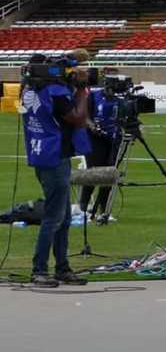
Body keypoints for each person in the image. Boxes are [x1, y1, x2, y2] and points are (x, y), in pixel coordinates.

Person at [21, 50, 92, 288]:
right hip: (55, 156)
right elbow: (78, 119)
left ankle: (62, 268)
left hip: (42, 152)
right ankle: (39, 270)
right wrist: (82, 90)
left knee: (63, 218)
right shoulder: (56, 91)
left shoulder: (30, 89)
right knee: (54, 218)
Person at [79, 77, 121, 222]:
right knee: (93, 172)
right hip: (95, 138)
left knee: (109, 174)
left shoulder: (121, 98)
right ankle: (83, 208)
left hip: (115, 138)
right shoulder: (93, 96)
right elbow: (84, 116)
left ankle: (104, 210)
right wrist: (92, 126)